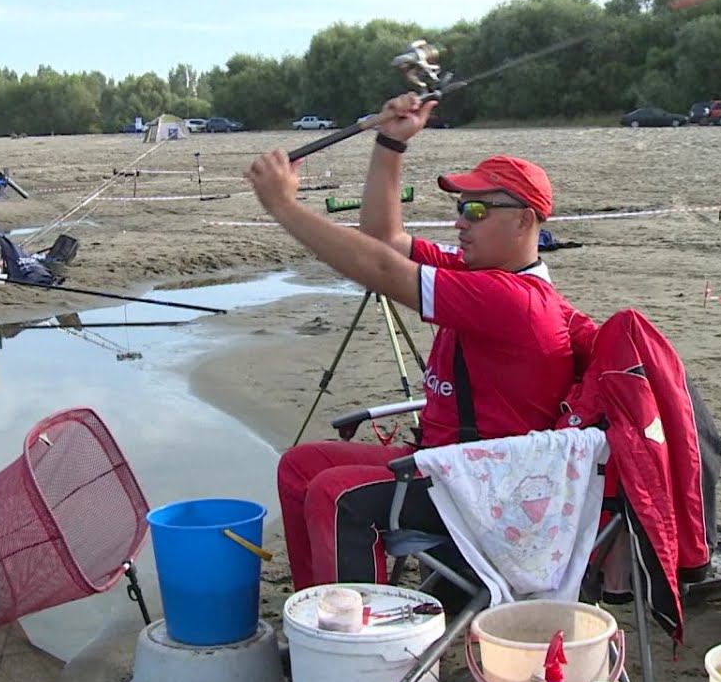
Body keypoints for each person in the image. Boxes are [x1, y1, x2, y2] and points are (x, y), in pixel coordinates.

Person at [244, 94, 597, 591]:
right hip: (450, 467)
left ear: (523, 221)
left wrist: (283, 206)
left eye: (476, 209)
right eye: (459, 208)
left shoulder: (512, 298)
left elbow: (382, 270)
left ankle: (360, 647)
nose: (461, 221)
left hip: (485, 492)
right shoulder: (482, 271)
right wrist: (391, 142)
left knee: (336, 494)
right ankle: (319, 619)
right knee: (301, 467)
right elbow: (384, 240)